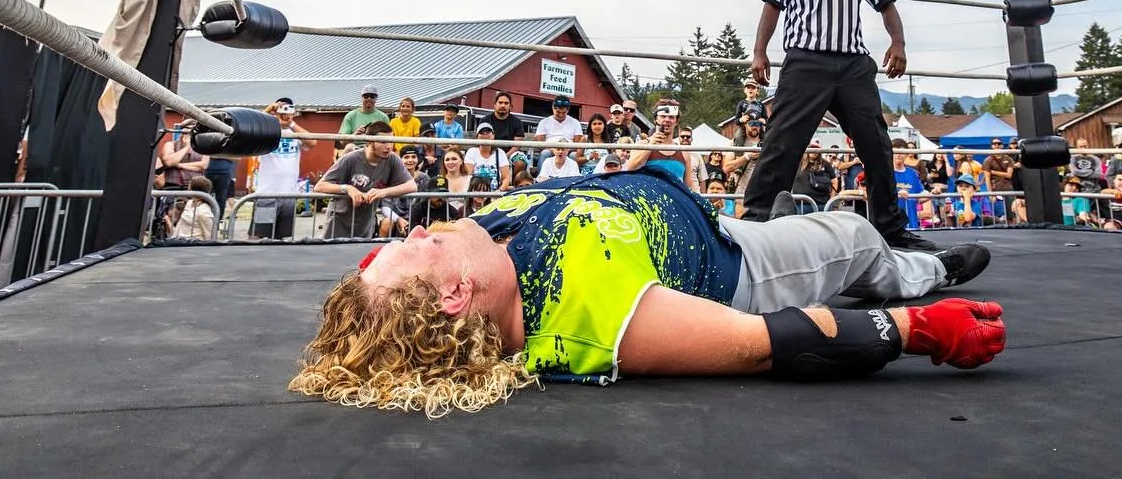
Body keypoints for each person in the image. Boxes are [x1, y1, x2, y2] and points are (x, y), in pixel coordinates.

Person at [288, 168, 1002, 417]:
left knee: (802, 223)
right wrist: (916, 329)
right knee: (849, 236)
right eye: (411, 254)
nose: (411, 237)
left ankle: (789, 222)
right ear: (452, 296)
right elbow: (764, 344)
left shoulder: (475, 250)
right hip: (738, 260)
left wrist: (374, 290)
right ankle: (926, 269)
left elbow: (391, 278)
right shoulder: (588, 317)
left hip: (682, 212)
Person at [743, 0, 932, 251]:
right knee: (782, 142)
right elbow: (772, 6)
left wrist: (899, 43)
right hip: (805, 61)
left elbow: (886, 3)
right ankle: (755, 222)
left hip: (851, 65)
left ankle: (890, 228)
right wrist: (760, 51)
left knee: (877, 145)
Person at [314, 123, 420, 239]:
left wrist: (383, 192)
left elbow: (411, 186)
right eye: (383, 142)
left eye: (391, 141)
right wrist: (347, 188)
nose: (388, 146)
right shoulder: (351, 158)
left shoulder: (392, 159)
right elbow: (320, 186)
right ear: (369, 142)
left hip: (365, 224)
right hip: (339, 222)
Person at [251, 99, 317, 241]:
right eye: (280, 108)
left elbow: (312, 142)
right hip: (266, 194)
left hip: (288, 194)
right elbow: (252, 132)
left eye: (287, 108)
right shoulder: (267, 130)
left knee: (282, 237)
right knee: (260, 236)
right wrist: (268, 113)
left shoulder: (295, 133)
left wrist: (291, 124)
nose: (284, 112)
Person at [170, 175, 219, 240]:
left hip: (195, 245)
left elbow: (209, 234)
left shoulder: (204, 211)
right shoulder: (189, 203)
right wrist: (173, 238)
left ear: (194, 188)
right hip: (180, 242)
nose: (188, 186)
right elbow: (181, 223)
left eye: (190, 184)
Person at [464, 124, 512, 190]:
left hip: (495, 192)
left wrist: (499, 191)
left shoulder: (500, 153)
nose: (485, 135)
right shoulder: (471, 152)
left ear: (493, 135)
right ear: (477, 136)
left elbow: (506, 178)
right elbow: (468, 176)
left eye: (488, 132)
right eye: (482, 133)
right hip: (475, 192)